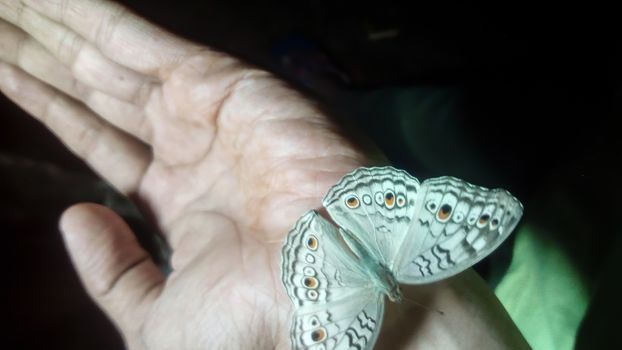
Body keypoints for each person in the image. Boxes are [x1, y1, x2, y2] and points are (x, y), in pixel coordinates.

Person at [0, 0, 529, 348]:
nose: (394, 293)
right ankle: (334, 89)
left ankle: (333, 88)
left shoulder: (399, 290)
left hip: (376, 214)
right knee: (427, 120)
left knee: (426, 120)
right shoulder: (415, 274)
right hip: (381, 220)